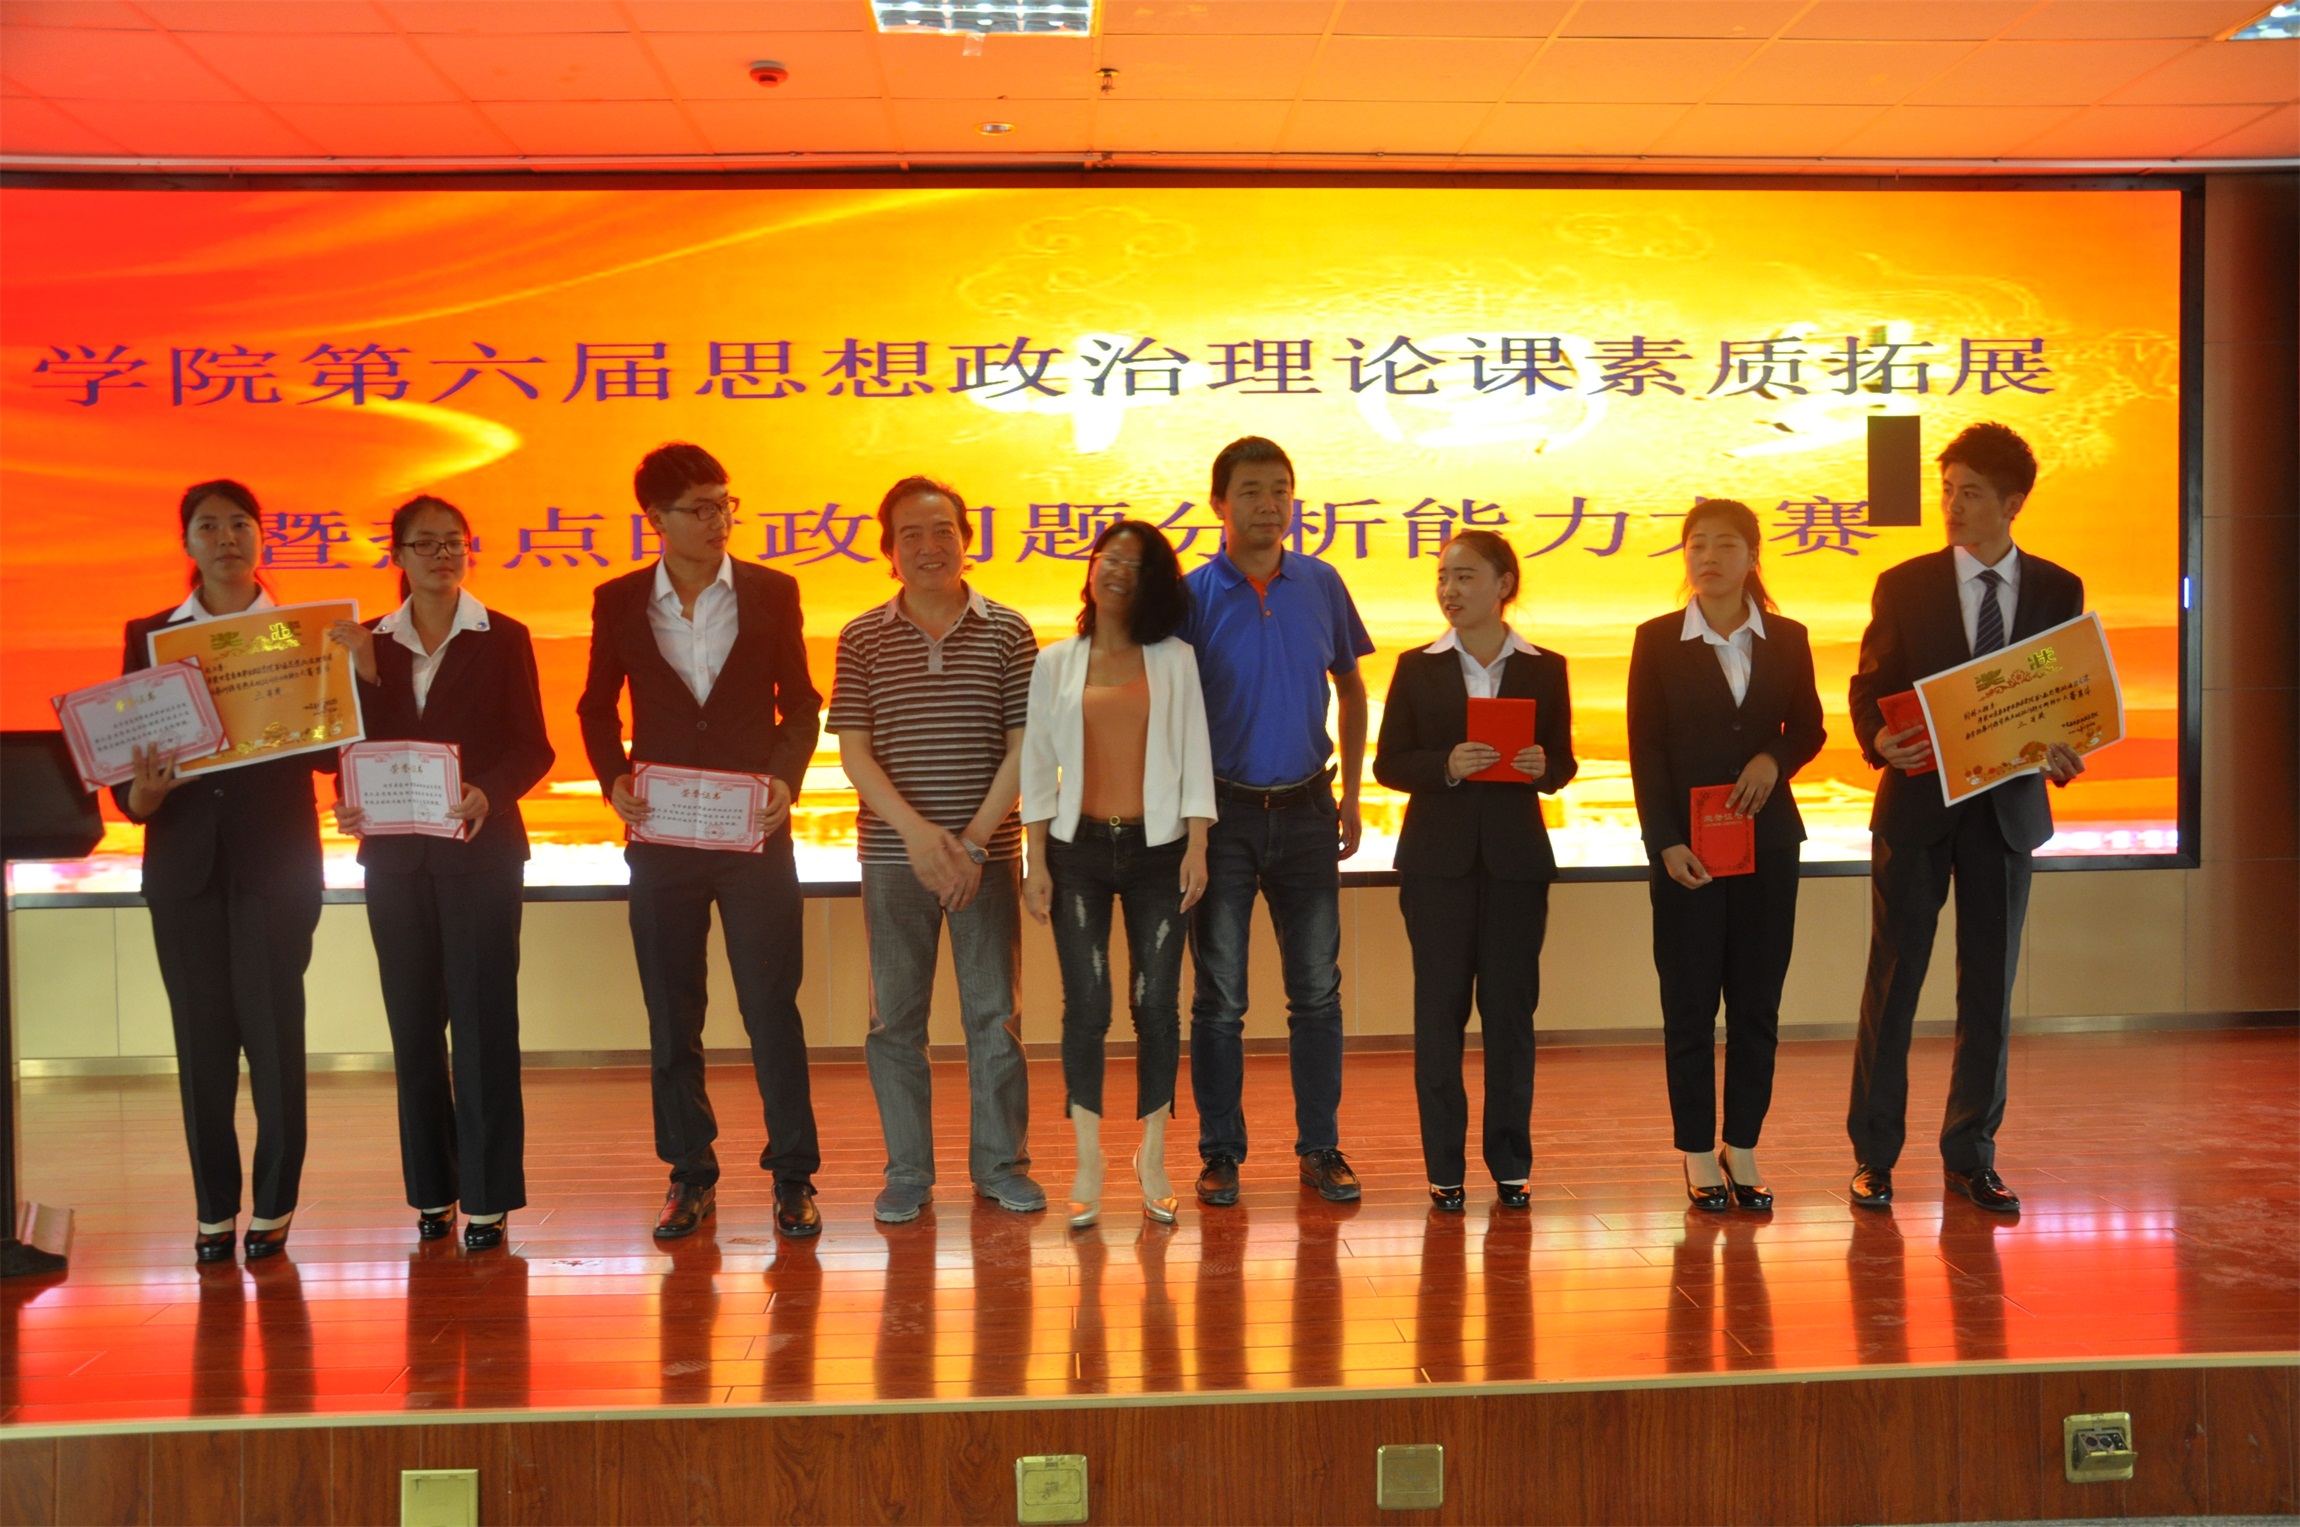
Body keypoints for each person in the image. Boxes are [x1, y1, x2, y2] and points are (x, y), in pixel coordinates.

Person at [576, 442, 825, 1241]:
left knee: (769, 1004)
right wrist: (614, 777)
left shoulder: (772, 591)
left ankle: (793, 1174)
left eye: (726, 504)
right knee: (671, 1007)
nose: (719, 521)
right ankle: (690, 1172)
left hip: (753, 830)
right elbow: (595, 708)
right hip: (663, 837)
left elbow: (801, 705)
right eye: (701, 508)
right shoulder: (618, 600)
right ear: (657, 518)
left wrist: (785, 779)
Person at [1846, 422, 2086, 1214]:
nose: (1951, 505)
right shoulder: (1904, 584)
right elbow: (1868, 685)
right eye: (1946, 490)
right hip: (1917, 806)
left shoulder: (2058, 589)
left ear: (2013, 503)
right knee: (1894, 983)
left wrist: (2066, 746)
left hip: (2007, 813)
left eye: (1970, 493)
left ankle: (1972, 1155)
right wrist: (1877, 737)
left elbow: (2065, 697)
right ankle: (1874, 1155)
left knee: (1989, 989)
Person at [118, 480, 338, 1263]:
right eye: (208, 526)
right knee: (201, 1043)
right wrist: (140, 796)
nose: (225, 538)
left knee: (275, 1039)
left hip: (276, 864)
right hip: (183, 868)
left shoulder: (305, 634)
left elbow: (331, 753)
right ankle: (213, 1209)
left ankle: (274, 1204)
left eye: (239, 524)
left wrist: (344, 688)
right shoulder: (150, 635)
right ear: (187, 542)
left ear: (261, 536)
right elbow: (127, 759)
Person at [330, 495, 554, 1252]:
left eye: (453, 542)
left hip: (481, 854)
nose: (441, 555)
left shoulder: (504, 636)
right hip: (396, 860)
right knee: (413, 1025)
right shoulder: (365, 643)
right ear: (397, 555)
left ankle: (487, 1196)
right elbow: (345, 751)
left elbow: (533, 746)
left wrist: (490, 790)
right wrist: (349, 798)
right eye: (424, 544)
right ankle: (432, 1190)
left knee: (486, 1024)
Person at [830, 476, 1042, 1224]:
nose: (928, 546)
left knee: (995, 1016)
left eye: (943, 530)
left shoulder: (1009, 630)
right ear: (889, 550)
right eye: (910, 534)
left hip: (988, 855)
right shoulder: (861, 637)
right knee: (895, 1021)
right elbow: (854, 752)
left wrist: (972, 844)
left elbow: (1024, 746)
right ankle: (908, 1173)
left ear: (966, 539)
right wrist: (921, 838)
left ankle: (1001, 1166)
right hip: (895, 858)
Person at [1179, 436, 1375, 1207]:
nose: (1269, 505)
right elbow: (1172, 716)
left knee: (1316, 994)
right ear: (1218, 504)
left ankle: (1320, 1147)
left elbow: (1351, 687)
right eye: (1252, 491)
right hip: (1221, 816)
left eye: (1281, 490)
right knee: (1220, 998)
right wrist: (1190, 825)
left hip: (1307, 809)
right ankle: (1220, 1152)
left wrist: (1351, 794)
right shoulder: (1192, 596)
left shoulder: (1321, 582)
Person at [1626, 498, 1825, 1212]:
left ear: (1752, 556)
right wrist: (1664, 841)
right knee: (1689, 1005)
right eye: (1697, 544)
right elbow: (1645, 747)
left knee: (1756, 1004)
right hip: (1688, 854)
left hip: (1768, 845)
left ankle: (1742, 1146)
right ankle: (1695, 1151)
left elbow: (1808, 727)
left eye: (1725, 545)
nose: (1708, 557)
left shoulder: (1788, 637)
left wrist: (1774, 758)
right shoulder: (1656, 640)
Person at [1020, 520, 1216, 1228]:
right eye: (1109, 557)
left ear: (1150, 582)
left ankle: (1153, 1155)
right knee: (1088, 1005)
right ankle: (1087, 1158)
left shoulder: (1174, 659)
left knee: (1155, 1003)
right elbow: (1037, 765)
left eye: (1134, 564)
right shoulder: (1055, 662)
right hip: (1076, 851)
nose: (1117, 571)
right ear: (1092, 566)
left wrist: (1198, 844)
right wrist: (1034, 859)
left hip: (1159, 851)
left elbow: (1195, 752)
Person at [1372, 531, 1576, 1211]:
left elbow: (1563, 761)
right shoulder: (1417, 666)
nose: (1450, 590)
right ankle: (1444, 1167)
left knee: (1510, 1015)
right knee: (1439, 1014)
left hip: (1517, 864)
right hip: (1437, 865)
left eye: (1464, 576)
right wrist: (1446, 765)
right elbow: (1389, 763)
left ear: (1503, 583)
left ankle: (1511, 1163)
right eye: (1442, 577)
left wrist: (1543, 767)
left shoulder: (1545, 667)